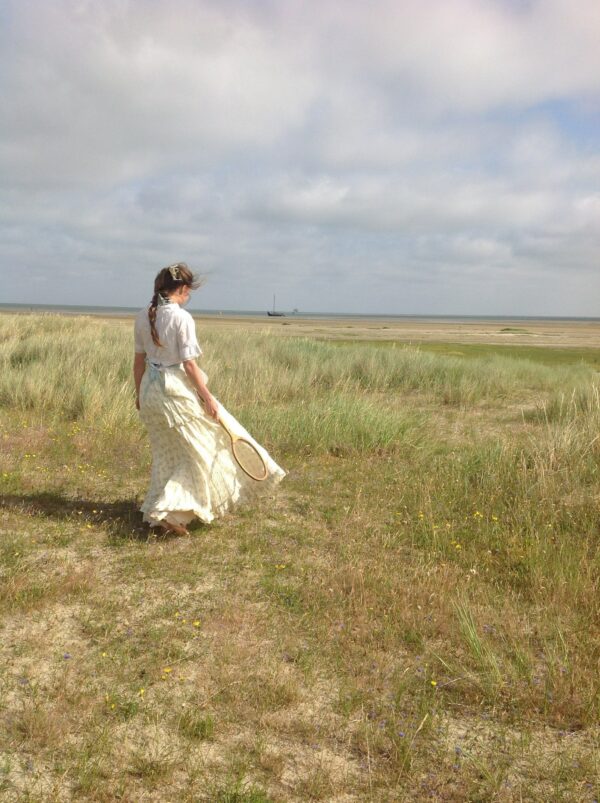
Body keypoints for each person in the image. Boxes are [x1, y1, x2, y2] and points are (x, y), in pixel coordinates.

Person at [133, 263, 285, 535]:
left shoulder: (143, 315)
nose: (189, 296)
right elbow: (189, 366)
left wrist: (138, 396)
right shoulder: (181, 318)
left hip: (150, 393)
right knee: (204, 452)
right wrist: (208, 399)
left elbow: (138, 362)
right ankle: (171, 511)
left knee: (170, 454)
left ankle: (167, 510)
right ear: (182, 289)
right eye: (189, 291)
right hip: (173, 392)